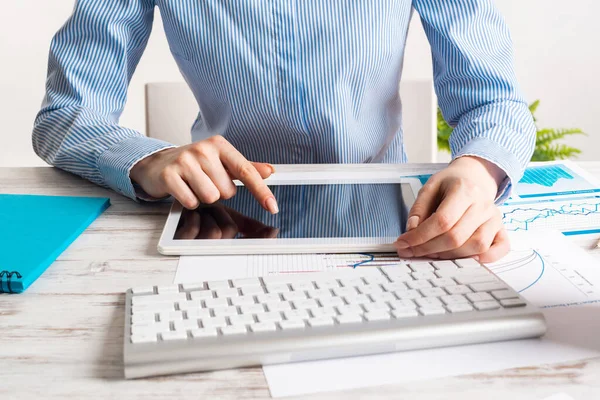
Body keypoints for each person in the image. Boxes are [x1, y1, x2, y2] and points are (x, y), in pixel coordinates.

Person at [32, 1, 535, 262]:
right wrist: (146, 158)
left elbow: (492, 100)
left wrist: (479, 170)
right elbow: (66, 115)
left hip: (389, 236)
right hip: (217, 232)